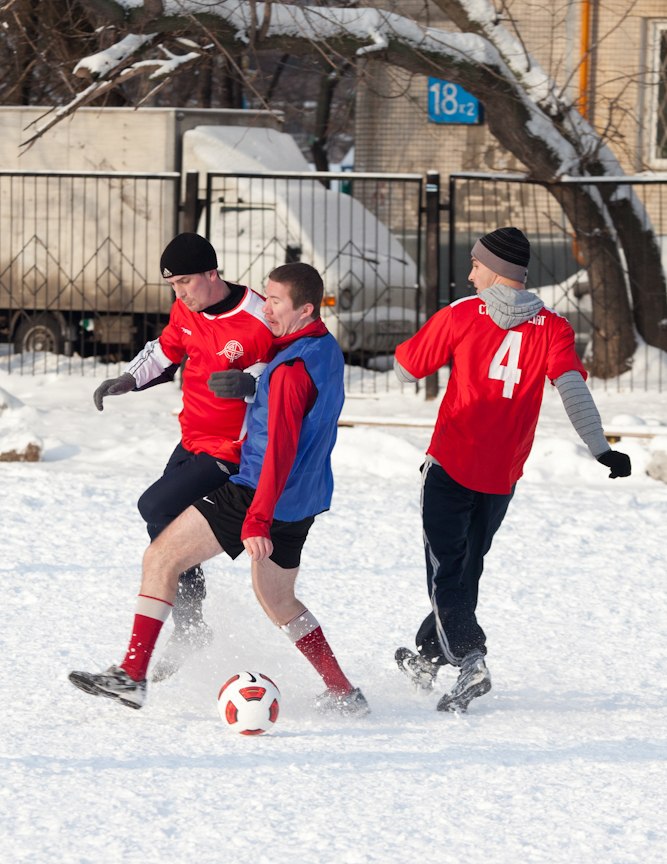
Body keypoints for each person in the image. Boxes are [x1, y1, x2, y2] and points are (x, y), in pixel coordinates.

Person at [69, 263, 370, 717]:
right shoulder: (323, 349)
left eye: (275, 302)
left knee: (161, 557)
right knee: (279, 599)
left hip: (257, 493)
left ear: (305, 308)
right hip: (303, 498)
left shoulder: (290, 370)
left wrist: (257, 517)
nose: (265, 309)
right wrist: (254, 387)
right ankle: (343, 691)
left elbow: (278, 452)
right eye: (265, 297)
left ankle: (132, 675)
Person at [393, 226, 631, 713]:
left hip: (451, 467)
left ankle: (470, 660)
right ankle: (428, 656)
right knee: (466, 571)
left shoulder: (460, 314)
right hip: (501, 478)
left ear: (496, 271)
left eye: (476, 265)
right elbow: (573, 389)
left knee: (446, 576)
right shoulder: (554, 327)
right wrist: (600, 448)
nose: (470, 273)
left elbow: (405, 368)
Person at [92, 232, 273, 677]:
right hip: (191, 439)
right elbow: (164, 351)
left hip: (232, 451)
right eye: (173, 285)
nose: (181, 293)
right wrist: (128, 379)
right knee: (161, 524)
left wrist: (254, 382)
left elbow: (290, 371)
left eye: (186, 282)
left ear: (213, 273)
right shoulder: (184, 309)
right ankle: (191, 626)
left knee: (153, 506)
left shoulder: (260, 315)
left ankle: (190, 625)